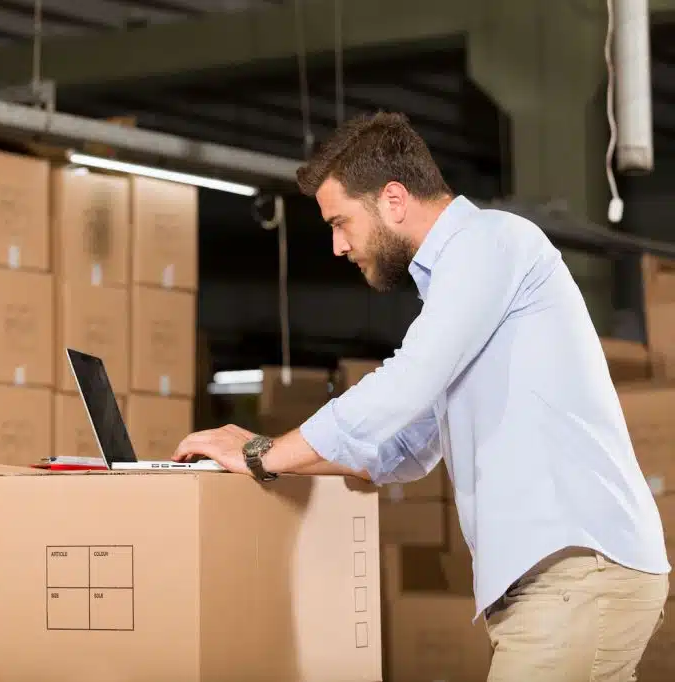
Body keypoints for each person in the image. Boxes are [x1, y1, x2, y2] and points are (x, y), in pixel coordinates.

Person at [172, 111, 670, 681]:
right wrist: (273, 454)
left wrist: (262, 455)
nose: (337, 246)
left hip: (576, 575)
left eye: (340, 222)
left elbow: (405, 384)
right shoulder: (465, 285)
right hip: (572, 581)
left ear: (392, 199)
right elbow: (404, 448)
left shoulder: (490, 242)